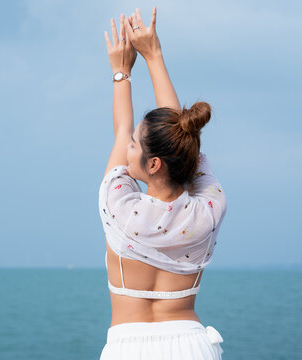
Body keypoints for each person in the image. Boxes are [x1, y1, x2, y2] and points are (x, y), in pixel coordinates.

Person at [99, 7, 227, 360]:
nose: (128, 147)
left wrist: (120, 72)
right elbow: (181, 141)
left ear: (152, 164)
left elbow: (122, 130)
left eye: (135, 147)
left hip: (129, 348)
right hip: (193, 345)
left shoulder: (119, 206)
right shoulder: (208, 209)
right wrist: (154, 54)